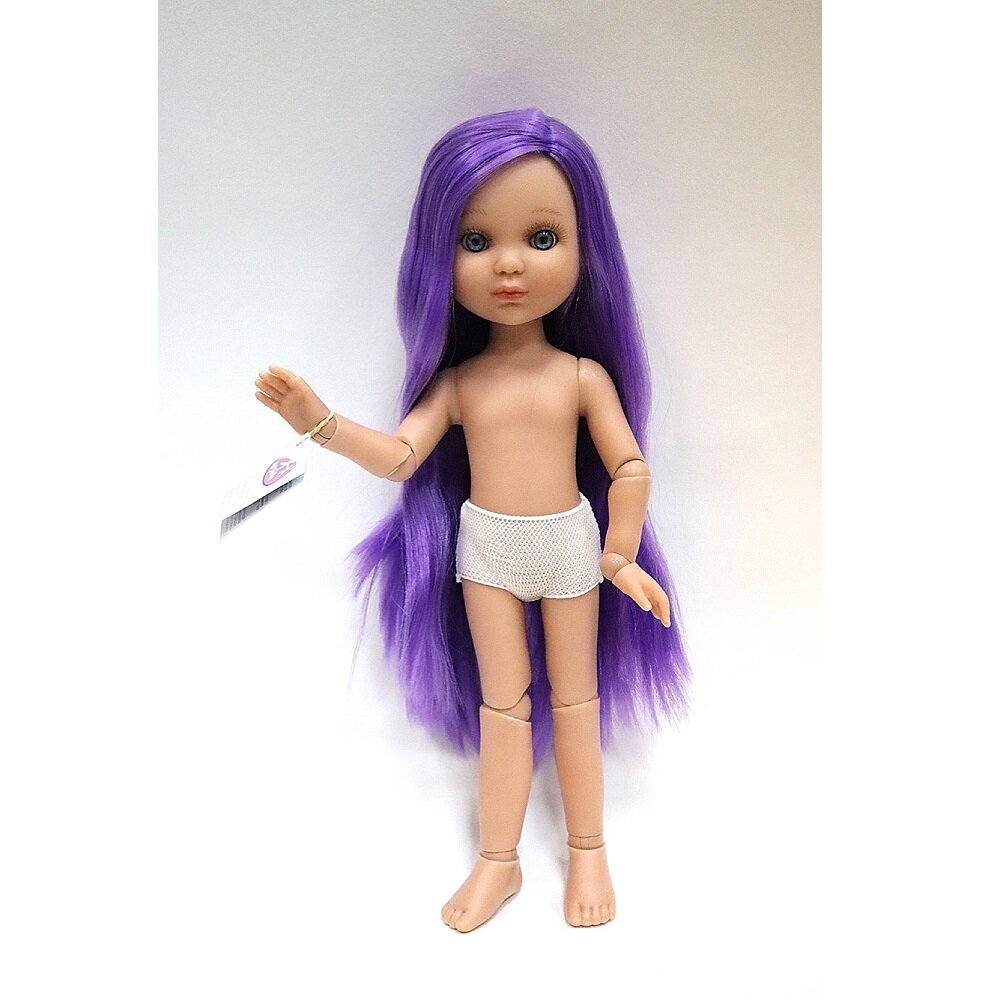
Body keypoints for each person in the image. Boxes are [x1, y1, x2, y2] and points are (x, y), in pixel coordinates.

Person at [254, 109, 689, 931]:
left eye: (542, 238)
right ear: (438, 257)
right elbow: (399, 458)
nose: (510, 265)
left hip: (571, 549)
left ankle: (588, 848)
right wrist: (320, 424)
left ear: (585, 251)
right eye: (477, 241)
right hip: (486, 551)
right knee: (504, 709)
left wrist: (620, 555)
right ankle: (499, 859)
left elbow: (630, 467)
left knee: (577, 703)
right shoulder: (458, 384)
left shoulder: (582, 376)